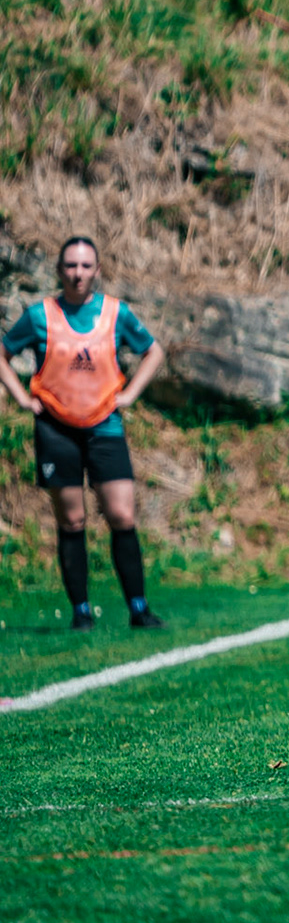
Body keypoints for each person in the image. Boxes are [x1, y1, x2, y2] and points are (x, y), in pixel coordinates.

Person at [0, 236, 166, 630]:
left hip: (105, 425)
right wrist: (22, 398)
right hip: (56, 429)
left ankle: (139, 608)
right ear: (60, 270)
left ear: (97, 270)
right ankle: (81, 612)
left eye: (86, 266)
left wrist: (130, 394)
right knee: (72, 521)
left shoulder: (116, 313)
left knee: (121, 514)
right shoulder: (39, 316)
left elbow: (154, 352)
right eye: (71, 265)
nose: (78, 273)